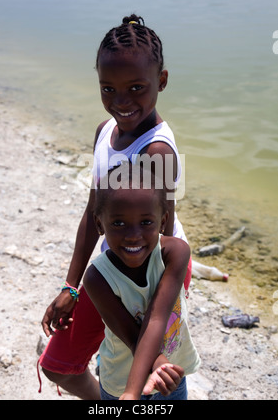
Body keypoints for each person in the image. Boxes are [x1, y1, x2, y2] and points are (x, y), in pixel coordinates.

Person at [39, 14, 193, 399]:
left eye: (137, 87)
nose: (121, 102)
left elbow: (158, 238)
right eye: (108, 89)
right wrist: (71, 286)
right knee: (59, 366)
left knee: (147, 379)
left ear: (162, 81)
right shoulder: (105, 133)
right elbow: (93, 215)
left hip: (153, 275)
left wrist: (149, 345)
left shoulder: (157, 152)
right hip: (111, 269)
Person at [83, 163, 200, 400]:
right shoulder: (97, 278)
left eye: (146, 222)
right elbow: (131, 335)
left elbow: (157, 317)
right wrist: (132, 392)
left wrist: (159, 367)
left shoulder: (174, 253)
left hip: (170, 376)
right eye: (118, 223)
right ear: (99, 224)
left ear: (163, 219)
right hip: (121, 382)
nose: (133, 234)